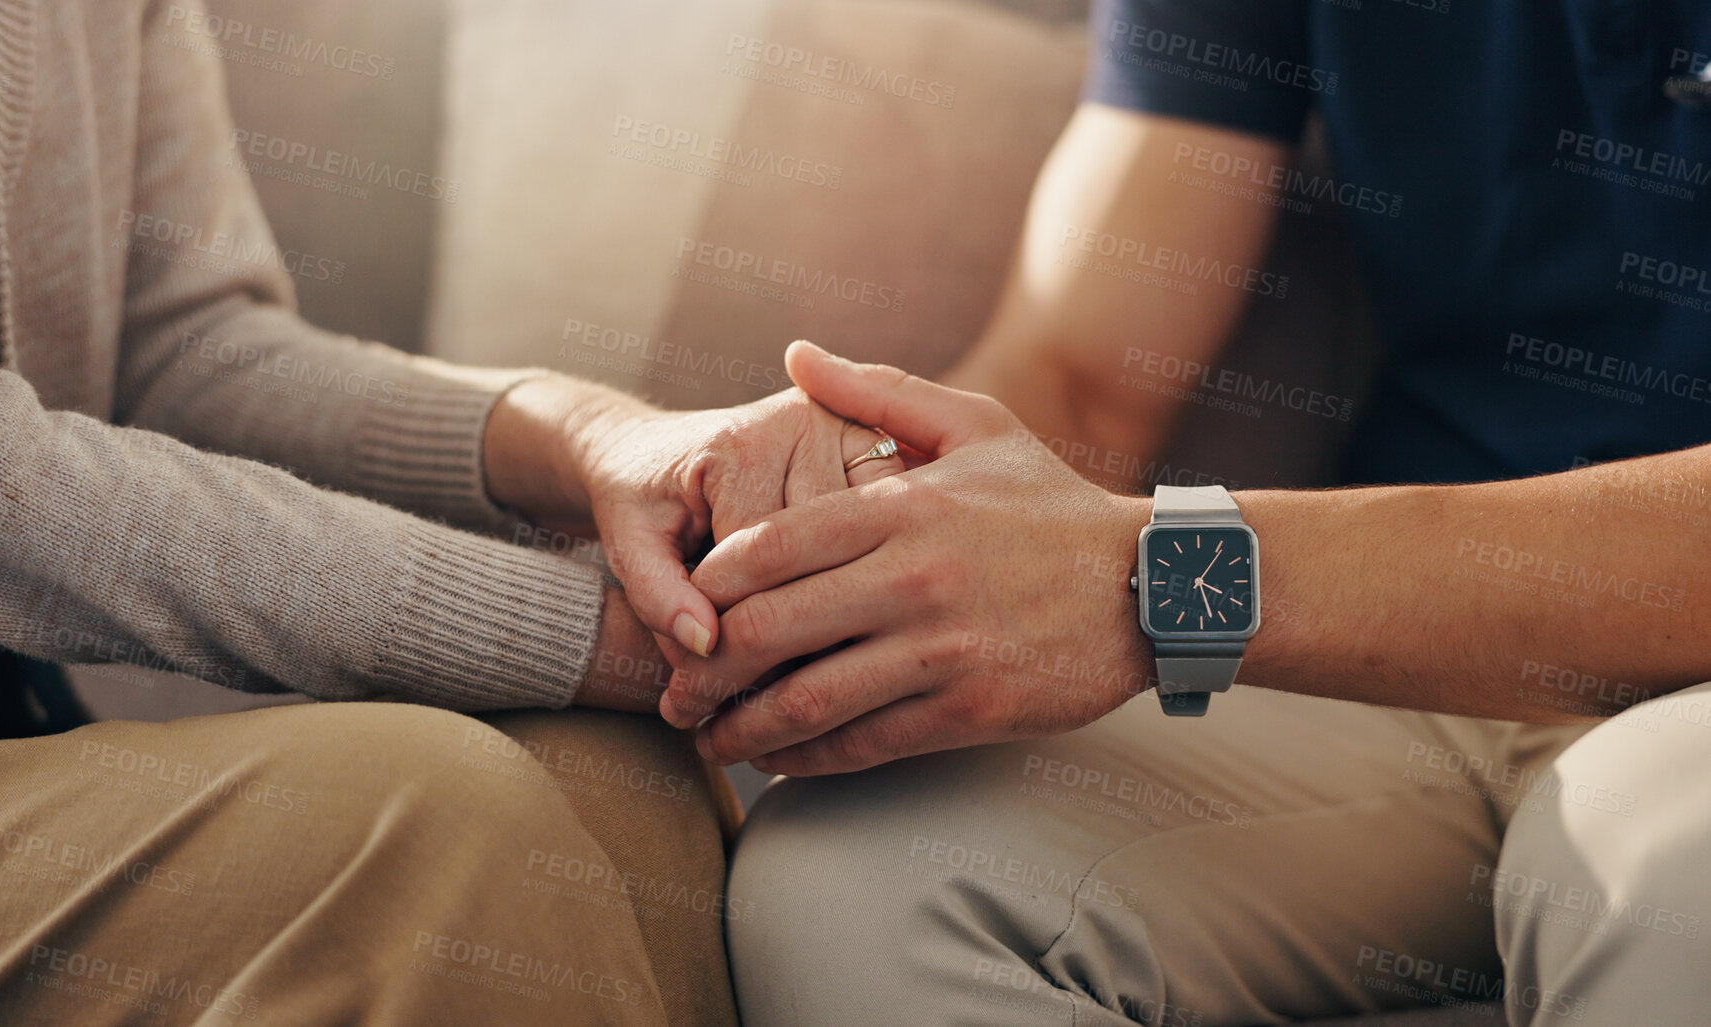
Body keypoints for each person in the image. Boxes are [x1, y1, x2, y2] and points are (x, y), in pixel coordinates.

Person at [0, 0, 902, 1022]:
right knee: (440, 830)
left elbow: (184, 349)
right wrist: (640, 636)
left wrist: (587, 438)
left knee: (614, 772)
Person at [674, 2, 1711, 1024]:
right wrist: (818, 537)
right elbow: (1079, 377)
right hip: (1397, 669)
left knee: (1675, 883)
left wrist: (1147, 578)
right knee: (851, 888)